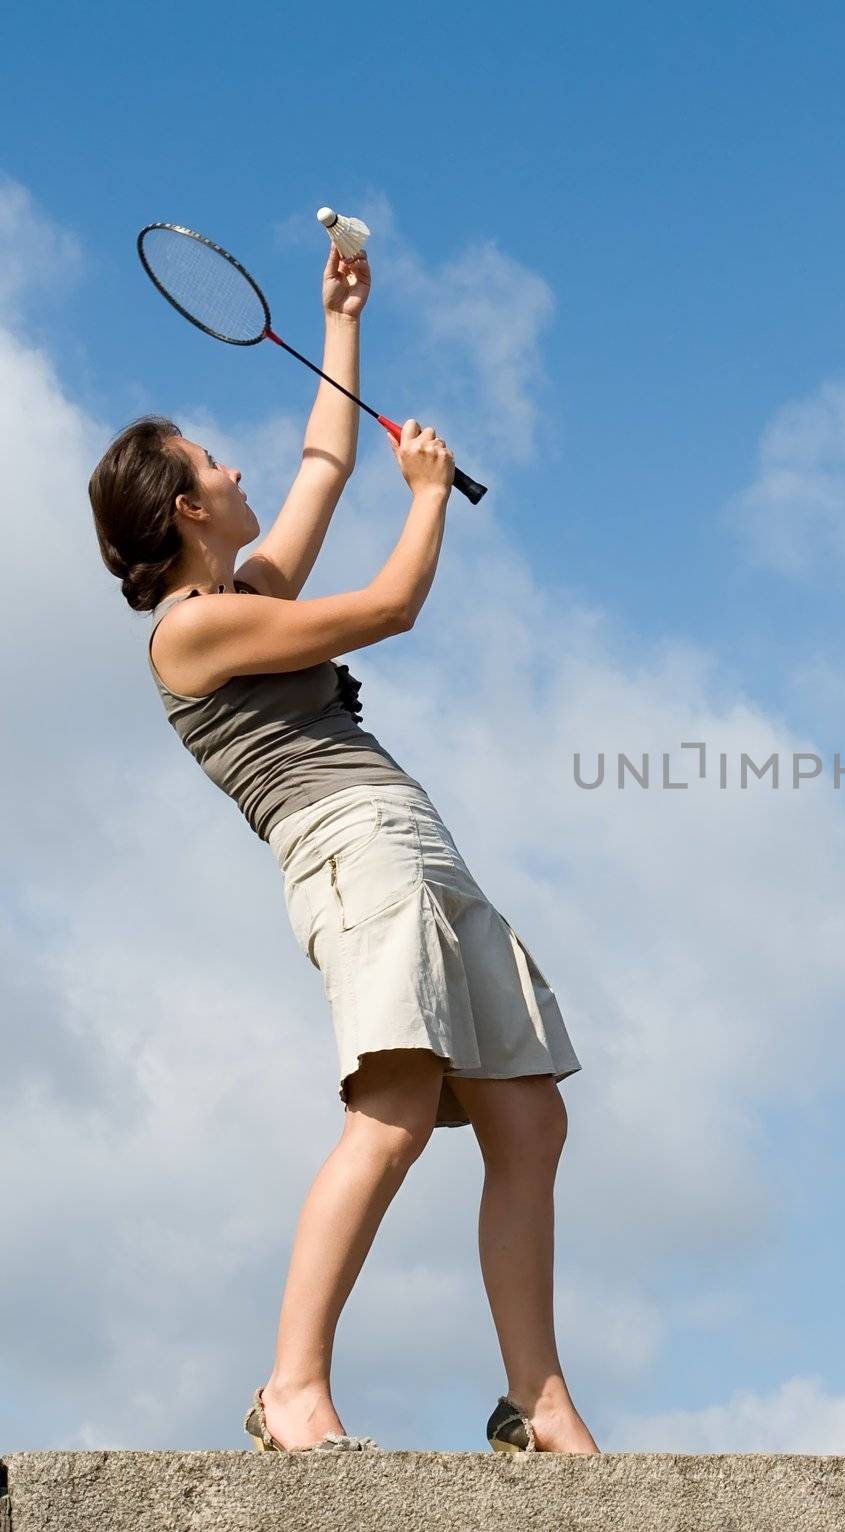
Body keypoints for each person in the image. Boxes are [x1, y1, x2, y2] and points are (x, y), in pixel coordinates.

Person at [88, 238, 596, 1457]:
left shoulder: (247, 590)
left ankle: (538, 1399)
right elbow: (386, 608)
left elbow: (323, 458)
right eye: (214, 461)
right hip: (351, 848)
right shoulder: (191, 636)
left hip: (415, 842)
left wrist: (339, 320)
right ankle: (292, 1388)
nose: (239, 462)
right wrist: (426, 495)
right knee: (395, 1109)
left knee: (529, 1119)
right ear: (184, 509)